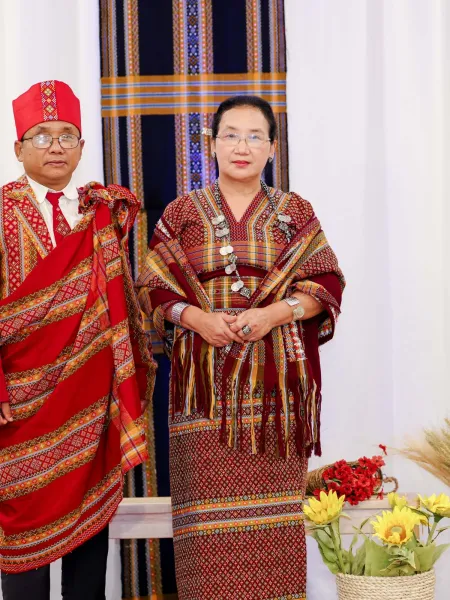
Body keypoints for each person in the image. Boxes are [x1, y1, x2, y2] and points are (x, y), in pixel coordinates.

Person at [136, 95, 345, 600]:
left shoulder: (295, 212)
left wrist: (274, 314)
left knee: (274, 525)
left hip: (276, 401)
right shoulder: (183, 213)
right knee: (206, 532)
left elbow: (328, 283)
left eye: (255, 136)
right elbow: (151, 286)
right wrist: (198, 320)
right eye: (230, 135)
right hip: (202, 395)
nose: (242, 146)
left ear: (272, 148)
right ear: (211, 145)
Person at [0, 80, 156, 600]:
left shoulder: (100, 214)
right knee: (23, 530)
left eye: (67, 135)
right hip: (21, 403)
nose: (56, 146)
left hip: (93, 396)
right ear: (18, 147)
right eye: (42, 136)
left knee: (89, 544)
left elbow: (119, 300)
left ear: (82, 146)